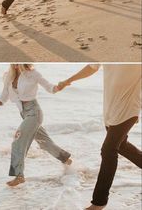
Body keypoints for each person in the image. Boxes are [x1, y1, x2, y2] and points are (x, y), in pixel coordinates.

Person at [58, 64, 142, 210]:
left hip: (129, 108)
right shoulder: (109, 47)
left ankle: (99, 202)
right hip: (111, 108)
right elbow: (92, 67)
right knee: (122, 146)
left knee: (108, 151)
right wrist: (68, 80)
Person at [0, 64, 72, 187]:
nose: (15, 63)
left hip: (34, 112)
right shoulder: (8, 76)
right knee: (45, 143)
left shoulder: (33, 74)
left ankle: (19, 176)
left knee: (17, 140)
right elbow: (4, 96)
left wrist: (60, 86)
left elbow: (50, 87)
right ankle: (67, 161)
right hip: (24, 113)